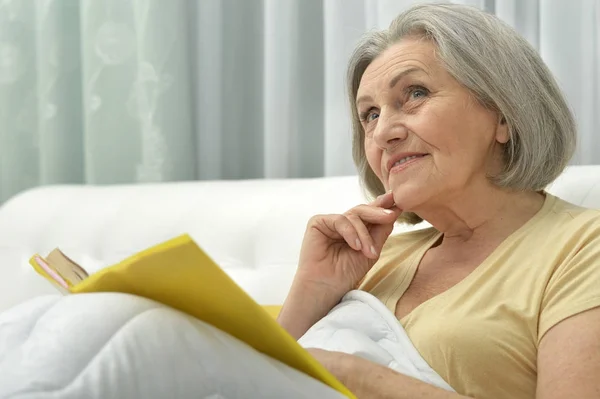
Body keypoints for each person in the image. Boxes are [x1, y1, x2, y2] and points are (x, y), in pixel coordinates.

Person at [278, 3, 600, 399]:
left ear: (503, 115)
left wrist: (360, 379)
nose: (382, 134)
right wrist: (313, 288)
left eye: (415, 93)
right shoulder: (372, 258)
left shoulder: (584, 248)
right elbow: (256, 386)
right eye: (370, 114)